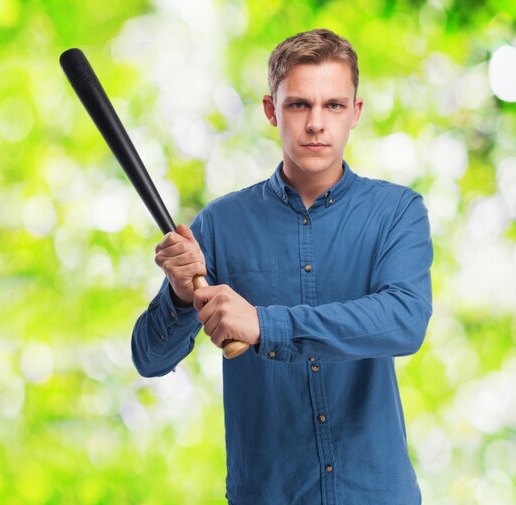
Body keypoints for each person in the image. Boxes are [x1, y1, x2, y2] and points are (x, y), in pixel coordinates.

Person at [131, 28, 433, 505]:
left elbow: (403, 320)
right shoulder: (221, 224)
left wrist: (264, 324)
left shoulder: (396, 212)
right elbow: (150, 359)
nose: (316, 123)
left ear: (355, 113)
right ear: (272, 110)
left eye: (333, 105)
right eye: (298, 105)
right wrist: (181, 294)